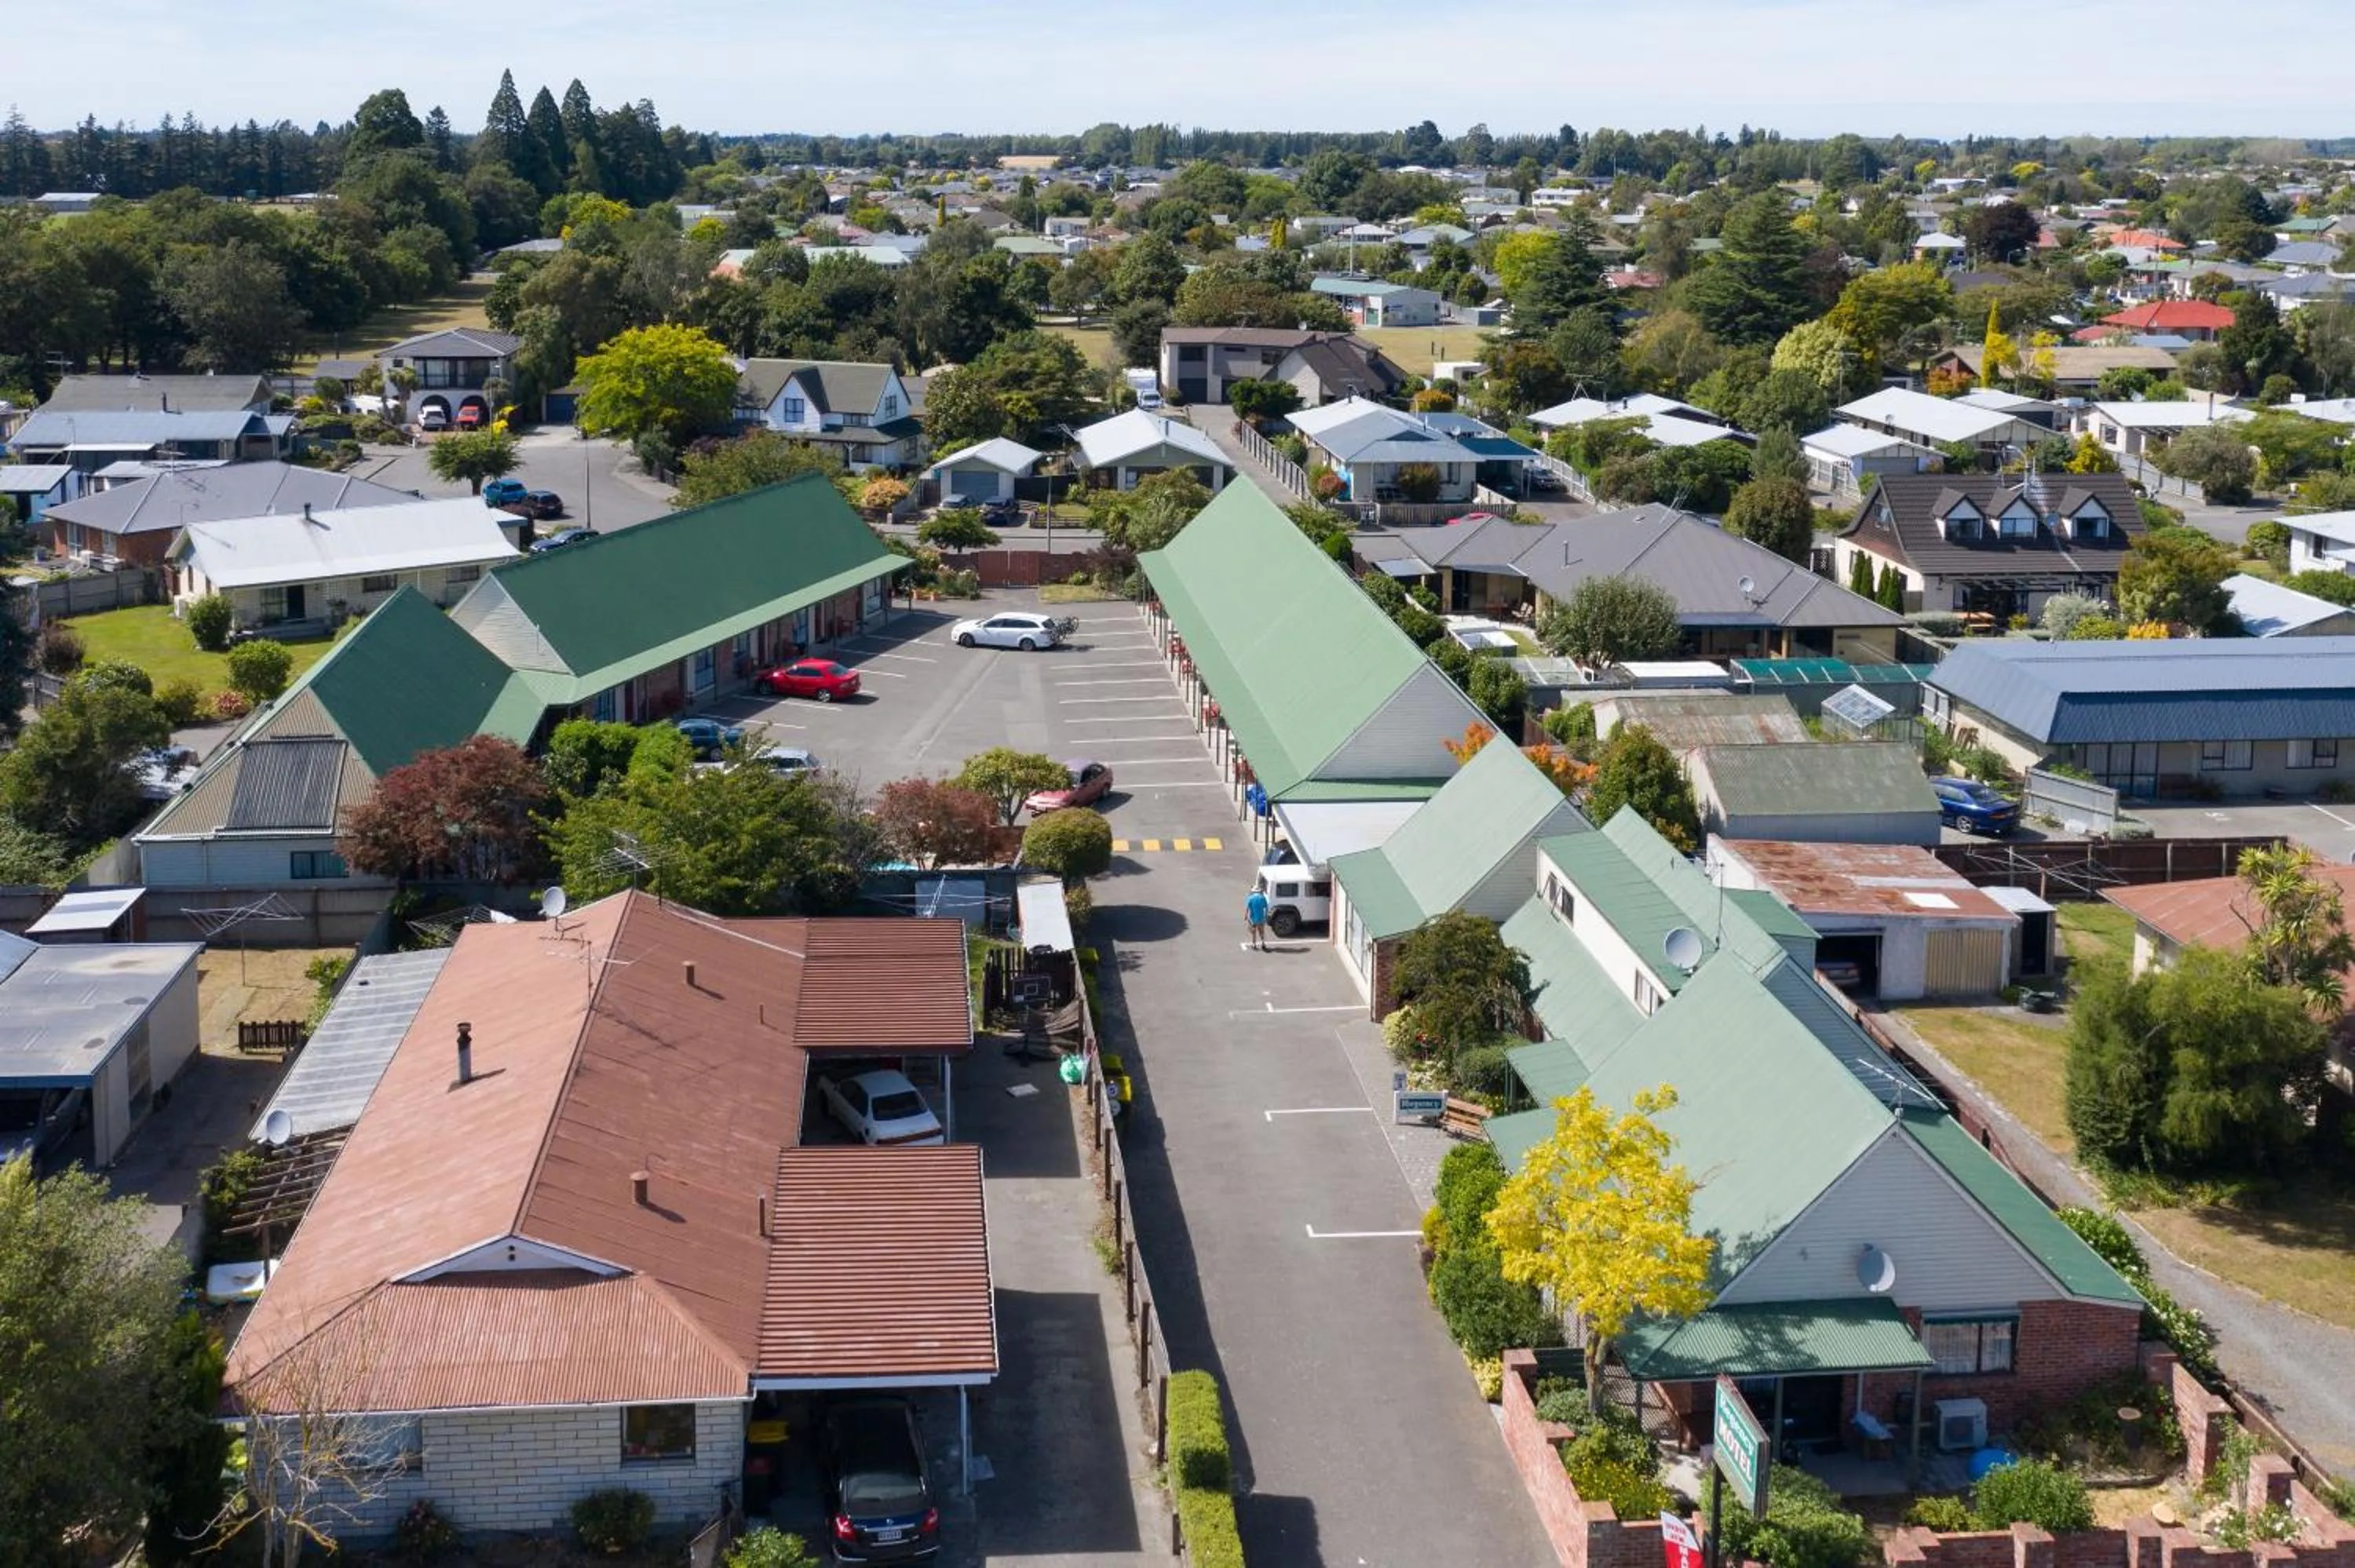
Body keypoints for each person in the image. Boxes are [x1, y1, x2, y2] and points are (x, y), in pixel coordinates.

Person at [1244, 884, 1272, 950]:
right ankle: (1263, 944)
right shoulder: (1262, 898)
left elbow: (1247, 908)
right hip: (1261, 918)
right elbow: (1266, 908)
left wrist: (1245, 916)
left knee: (1253, 932)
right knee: (1261, 932)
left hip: (1253, 918)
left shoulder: (1250, 898)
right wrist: (1266, 916)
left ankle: (1254, 945)